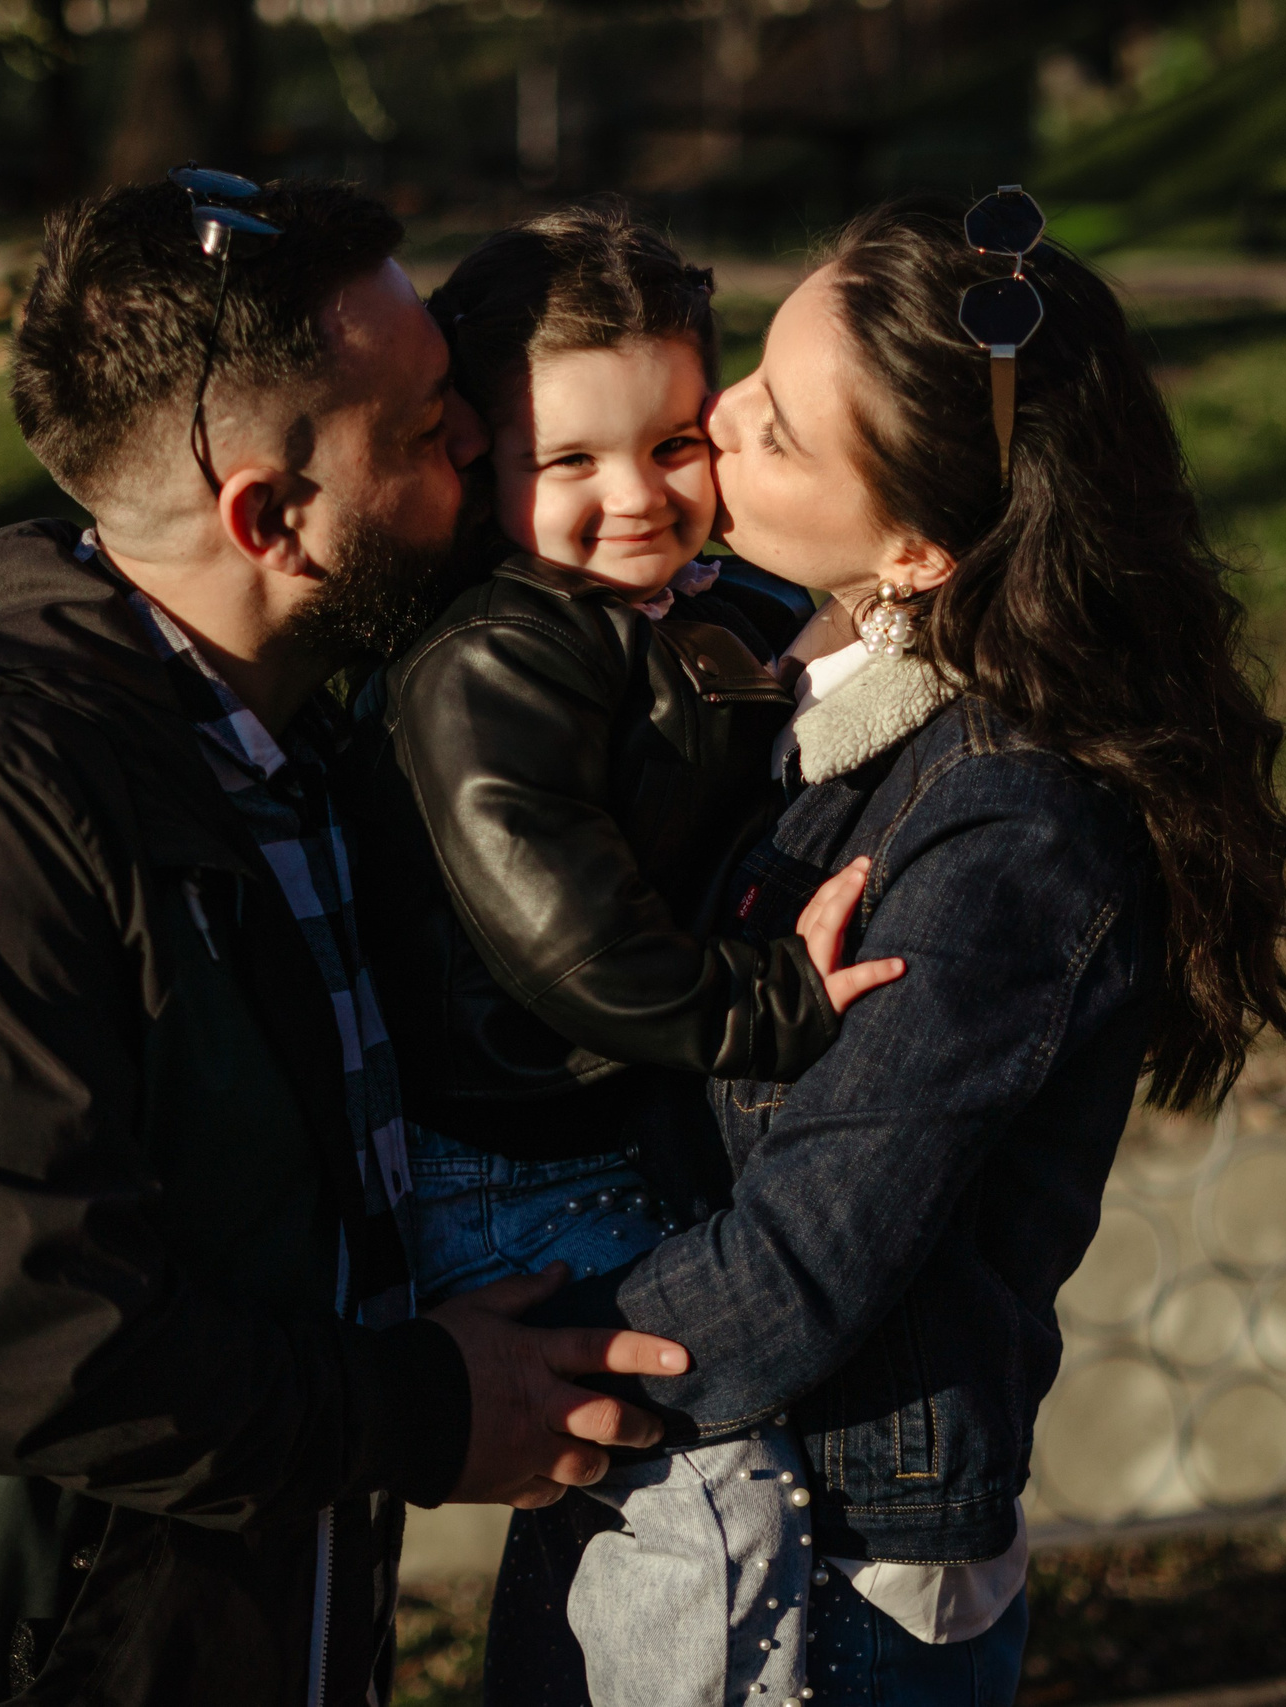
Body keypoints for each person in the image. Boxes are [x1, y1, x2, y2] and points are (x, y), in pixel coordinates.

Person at [0, 176, 688, 1707]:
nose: (481, 445)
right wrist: (421, 1408)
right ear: (271, 519)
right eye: (424, 430)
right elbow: (40, 1339)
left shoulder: (288, 742)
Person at [500, 195, 1286, 1707]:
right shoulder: (788, 672)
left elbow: (807, 1262)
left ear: (924, 550)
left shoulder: (1008, 831)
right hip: (689, 1500)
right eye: (755, 369)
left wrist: (514, 1384)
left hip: (826, 1580)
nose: (715, 415)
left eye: (781, 435)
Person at [346, 204, 905, 1707]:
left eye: (674, 444)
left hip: (618, 1135)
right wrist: (773, 1003)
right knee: (689, 1492)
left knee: (665, 1496)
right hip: (513, 1164)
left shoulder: (697, 612)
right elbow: (568, 943)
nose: (638, 497)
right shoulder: (496, 657)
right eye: (569, 464)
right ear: (484, 468)